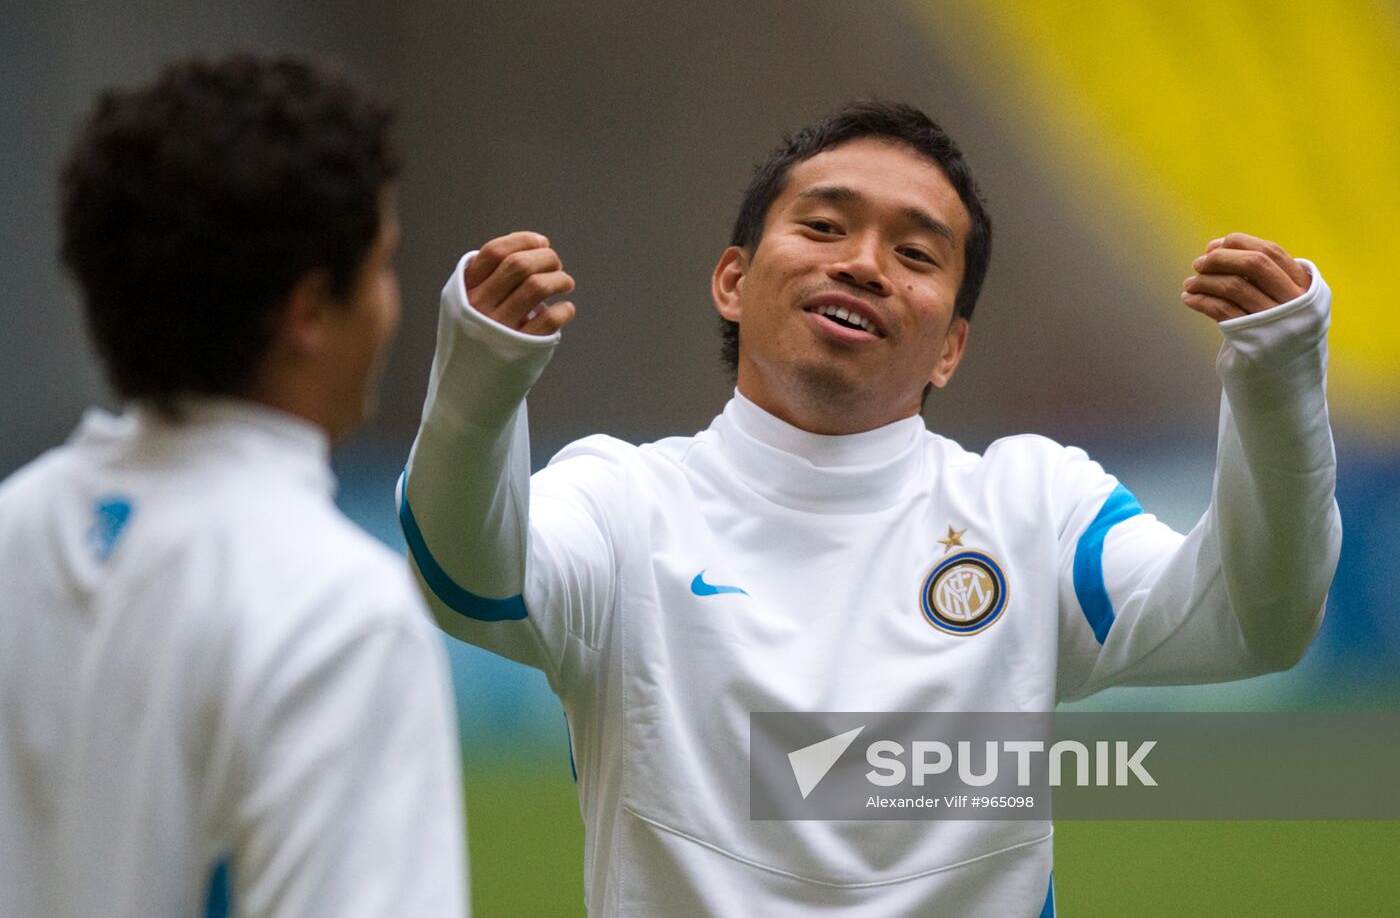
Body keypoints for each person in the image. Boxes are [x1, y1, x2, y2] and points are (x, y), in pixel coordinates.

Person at [398, 100, 1340, 915]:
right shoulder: (623, 498)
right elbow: (469, 578)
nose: (863, 264)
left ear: (951, 348)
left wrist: (1279, 376)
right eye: (823, 227)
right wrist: (483, 371)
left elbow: (1250, 620)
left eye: (915, 252)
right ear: (733, 280)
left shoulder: (1031, 506)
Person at [0, 54, 467, 917]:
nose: (391, 303)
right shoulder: (336, 610)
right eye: (383, 264)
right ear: (307, 311)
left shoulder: (15, 527)